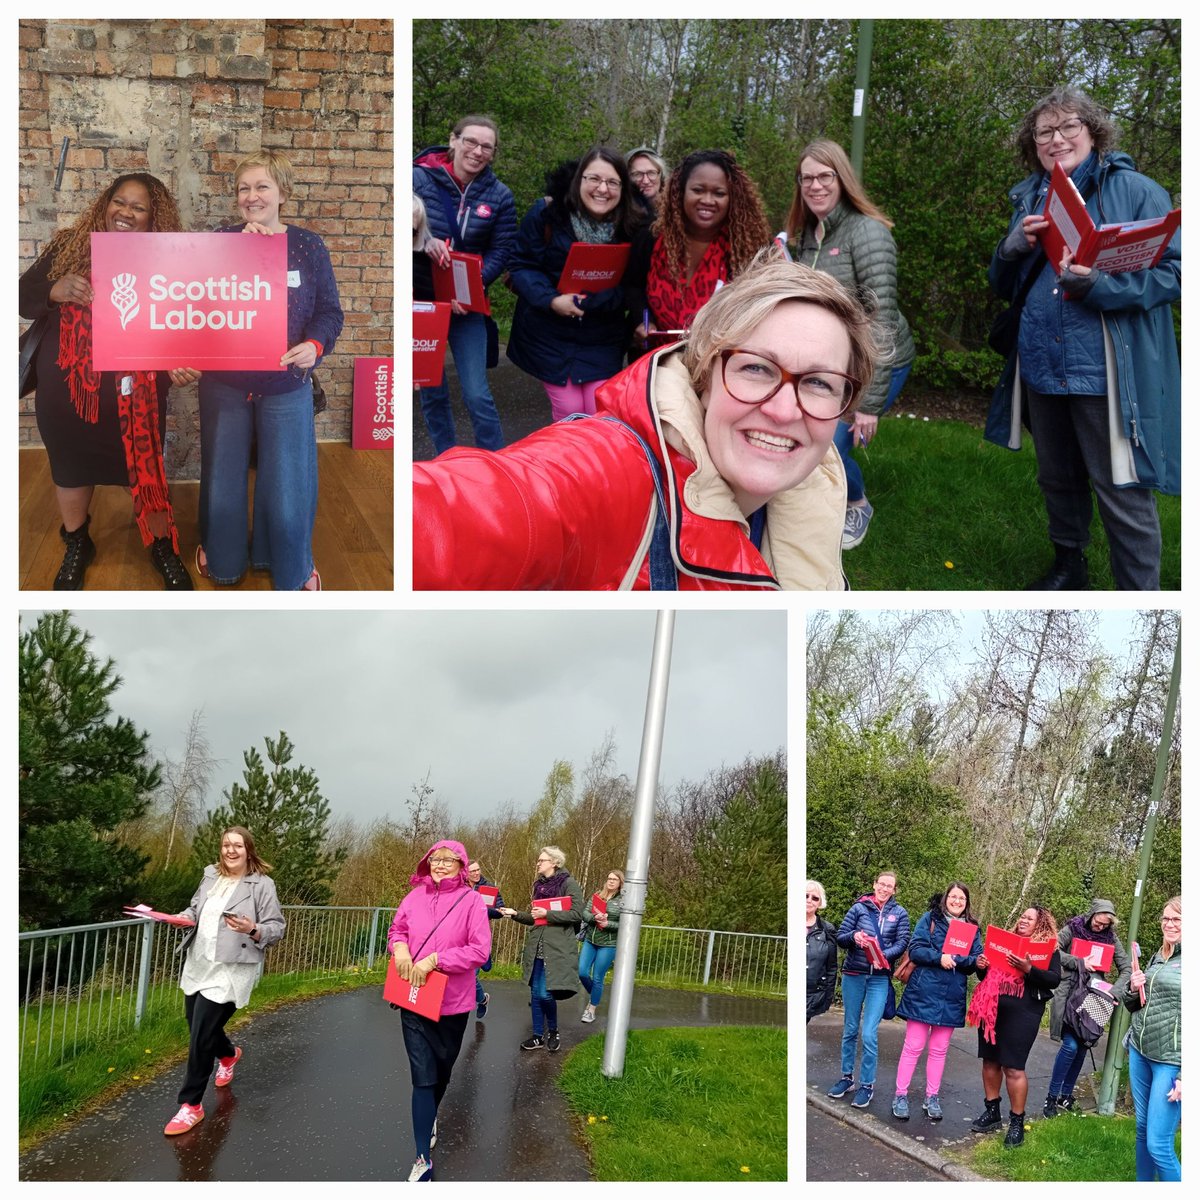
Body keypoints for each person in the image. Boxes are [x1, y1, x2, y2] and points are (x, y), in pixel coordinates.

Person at [414, 253, 884, 590]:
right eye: (757, 368)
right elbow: (474, 511)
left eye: (819, 384)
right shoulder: (609, 471)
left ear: (846, 403)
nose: (784, 410)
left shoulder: (817, 493)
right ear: (705, 373)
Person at [986, 86, 1180, 591]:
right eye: (1044, 131)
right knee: (1058, 477)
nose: (1057, 138)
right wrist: (1008, 250)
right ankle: (1069, 567)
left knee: (1121, 484)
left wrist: (1102, 286)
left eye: (1069, 125)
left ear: (1093, 131)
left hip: (1106, 371)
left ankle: (1140, 595)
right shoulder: (1031, 195)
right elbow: (1004, 285)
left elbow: (1177, 274)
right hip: (1042, 363)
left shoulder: (1136, 190)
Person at [19, 172, 196, 590]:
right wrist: (54, 289)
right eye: (120, 201)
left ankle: (160, 545)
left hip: (138, 393)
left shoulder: (171, 261)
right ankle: (77, 542)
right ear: (105, 202)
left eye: (139, 207)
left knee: (145, 466)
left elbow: (184, 323)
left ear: (155, 219)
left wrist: (183, 362)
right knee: (70, 467)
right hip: (68, 389)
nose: (126, 212)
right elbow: (21, 296)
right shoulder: (68, 245)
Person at [196, 150, 344, 591]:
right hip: (224, 382)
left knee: (288, 485)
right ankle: (222, 559)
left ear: (283, 192)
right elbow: (193, 306)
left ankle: (292, 567)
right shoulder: (219, 241)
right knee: (222, 479)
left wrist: (314, 345)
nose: (251, 196)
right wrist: (243, 250)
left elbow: (329, 312)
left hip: (286, 383)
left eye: (262, 186)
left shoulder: (308, 245)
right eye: (243, 188)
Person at [782, 139, 915, 551]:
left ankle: (856, 502)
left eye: (825, 176)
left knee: (832, 448)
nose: (816, 186)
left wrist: (869, 405)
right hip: (830, 362)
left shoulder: (868, 233)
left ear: (842, 179)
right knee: (811, 440)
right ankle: (810, 506)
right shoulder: (803, 236)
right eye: (808, 178)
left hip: (878, 360)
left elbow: (882, 321)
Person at [506, 149, 649, 421]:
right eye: (594, 179)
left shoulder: (634, 225)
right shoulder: (548, 213)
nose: (602, 189)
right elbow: (521, 263)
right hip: (550, 332)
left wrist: (597, 301)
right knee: (570, 411)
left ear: (623, 187)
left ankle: (594, 463)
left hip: (603, 335)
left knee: (599, 410)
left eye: (612, 182)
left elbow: (636, 282)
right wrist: (551, 299)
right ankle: (567, 462)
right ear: (579, 180)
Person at [163, 826, 285, 1135]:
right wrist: (183, 917)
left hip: (232, 968)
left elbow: (276, 927)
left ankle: (190, 1105)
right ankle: (229, 1054)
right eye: (226, 845)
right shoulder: (209, 876)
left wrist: (253, 929)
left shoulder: (261, 885)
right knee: (198, 1026)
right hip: (199, 963)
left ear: (249, 851)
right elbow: (195, 908)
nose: (231, 850)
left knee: (201, 1036)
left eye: (238, 846)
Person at [387, 840, 492, 1183]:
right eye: (436, 858)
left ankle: (430, 1114)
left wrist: (437, 960)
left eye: (449, 860)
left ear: (462, 866)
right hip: (414, 999)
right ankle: (422, 1158)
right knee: (423, 1075)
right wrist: (400, 951)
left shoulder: (472, 901)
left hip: (453, 1002)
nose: (441, 864)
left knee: (442, 1071)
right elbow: (397, 929)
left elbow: (479, 950)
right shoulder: (413, 897)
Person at [413, 115, 517, 455]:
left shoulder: (500, 196)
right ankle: (446, 458)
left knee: (476, 391)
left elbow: (501, 251)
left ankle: (495, 460)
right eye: (470, 141)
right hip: (422, 305)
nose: (477, 151)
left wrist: (467, 290)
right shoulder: (415, 179)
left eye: (487, 146)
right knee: (432, 390)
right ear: (453, 140)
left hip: (466, 306)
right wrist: (423, 239)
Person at [633, 149, 772, 347]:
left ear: (733, 197)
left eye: (719, 193)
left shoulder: (748, 248)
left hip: (718, 363)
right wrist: (641, 321)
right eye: (698, 190)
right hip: (656, 361)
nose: (707, 200)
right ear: (680, 192)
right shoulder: (651, 237)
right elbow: (633, 286)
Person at [967, 904, 1061, 1147]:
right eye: (1022, 916)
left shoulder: (1048, 950)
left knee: (1013, 1067)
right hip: (992, 1008)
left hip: (1024, 1012)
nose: (1023, 920)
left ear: (1040, 924)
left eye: (1030, 918)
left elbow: (1054, 979)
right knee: (990, 1060)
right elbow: (983, 976)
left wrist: (1029, 969)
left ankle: (1017, 1123)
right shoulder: (1003, 943)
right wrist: (982, 965)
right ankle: (992, 1112)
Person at [892, 883, 985, 1121]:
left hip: (951, 995)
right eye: (953, 896)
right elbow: (916, 950)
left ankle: (931, 1097)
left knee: (939, 1050)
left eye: (961, 898)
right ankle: (900, 1095)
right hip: (924, 991)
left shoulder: (973, 928)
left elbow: (975, 959)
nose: (957, 901)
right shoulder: (930, 919)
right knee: (913, 1046)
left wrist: (962, 960)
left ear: (967, 902)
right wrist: (939, 958)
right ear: (946, 899)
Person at [828, 870, 910, 1109]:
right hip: (854, 974)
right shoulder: (858, 908)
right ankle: (846, 1078)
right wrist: (855, 937)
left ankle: (867, 1085)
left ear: (894, 890)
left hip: (879, 979)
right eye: (881, 884)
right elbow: (840, 936)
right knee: (850, 1028)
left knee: (869, 1033)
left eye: (890, 886)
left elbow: (903, 942)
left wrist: (883, 956)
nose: (885, 889)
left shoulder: (900, 913)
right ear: (874, 885)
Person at [1044, 897, 1131, 1116]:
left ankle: (1065, 1095)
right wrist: (1079, 962)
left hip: (1093, 998)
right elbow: (1052, 950)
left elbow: (1127, 969)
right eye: (1097, 923)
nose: (1100, 928)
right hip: (1068, 994)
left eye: (1104, 925)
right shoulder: (1073, 928)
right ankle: (1051, 1098)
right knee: (1070, 1046)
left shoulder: (1111, 939)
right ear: (1091, 915)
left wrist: (1114, 991)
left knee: (1082, 1047)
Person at [498, 846, 584, 1052]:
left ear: (554, 863)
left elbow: (577, 914)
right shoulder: (540, 886)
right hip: (537, 946)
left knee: (545, 994)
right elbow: (535, 918)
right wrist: (515, 913)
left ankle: (553, 1031)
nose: (538, 863)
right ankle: (537, 1036)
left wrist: (547, 914)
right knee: (535, 994)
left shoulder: (569, 884)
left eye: (542, 860)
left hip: (556, 949)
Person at [1123, 896, 1181, 1181]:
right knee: (1143, 1131)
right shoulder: (1159, 955)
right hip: (1140, 1051)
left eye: (1177, 919)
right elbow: (1133, 1003)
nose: (1169, 924)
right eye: (1166, 919)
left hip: (1172, 1062)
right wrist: (1133, 988)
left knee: (1159, 1144)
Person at [577, 868, 624, 1022]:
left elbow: (625, 924)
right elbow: (585, 913)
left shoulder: (623, 900)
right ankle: (596, 994)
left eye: (614, 879)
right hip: (591, 940)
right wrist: (594, 917)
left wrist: (607, 922)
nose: (610, 881)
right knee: (582, 972)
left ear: (620, 883)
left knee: (598, 977)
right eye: (609, 878)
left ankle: (591, 1009)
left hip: (608, 944)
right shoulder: (598, 895)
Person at [467, 859, 505, 1019]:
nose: (476, 873)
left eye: (478, 870)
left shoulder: (488, 888)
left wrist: (483, 910)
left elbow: (500, 910)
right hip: (461, 935)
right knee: (463, 975)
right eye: (472, 871)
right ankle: (482, 999)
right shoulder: (460, 886)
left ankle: (481, 1000)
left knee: (470, 976)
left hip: (479, 935)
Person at [805, 879, 838, 1024]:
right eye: (805, 895)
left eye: (814, 898)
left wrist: (827, 996)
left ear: (819, 903)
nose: (809, 900)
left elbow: (831, 967)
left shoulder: (827, 929)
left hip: (811, 994)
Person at [626, 146, 668, 214]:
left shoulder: (675, 210)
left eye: (651, 173)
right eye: (637, 174)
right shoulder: (619, 213)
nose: (646, 181)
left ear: (661, 176)